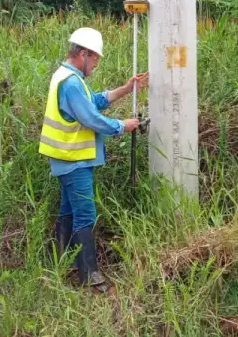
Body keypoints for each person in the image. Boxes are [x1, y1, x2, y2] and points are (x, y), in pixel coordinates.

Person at [38, 27, 148, 293]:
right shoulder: (73, 82)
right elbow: (91, 119)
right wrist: (124, 125)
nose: (96, 64)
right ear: (83, 54)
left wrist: (125, 89)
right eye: (96, 59)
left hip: (66, 160)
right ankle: (90, 276)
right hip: (75, 161)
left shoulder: (66, 76)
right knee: (85, 214)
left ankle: (61, 262)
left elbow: (94, 102)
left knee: (68, 210)